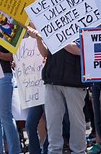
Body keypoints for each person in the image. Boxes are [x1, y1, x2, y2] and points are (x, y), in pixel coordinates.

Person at [27, 25, 87, 154]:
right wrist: (38, 38)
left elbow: (79, 50)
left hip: (74, 81)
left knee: (76, 121)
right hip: (52, 79)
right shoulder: (53, 25)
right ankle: (54, 151)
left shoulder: (80, 24)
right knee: (53, 120)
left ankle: (79, 151)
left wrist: (56, 37)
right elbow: (45, 53)